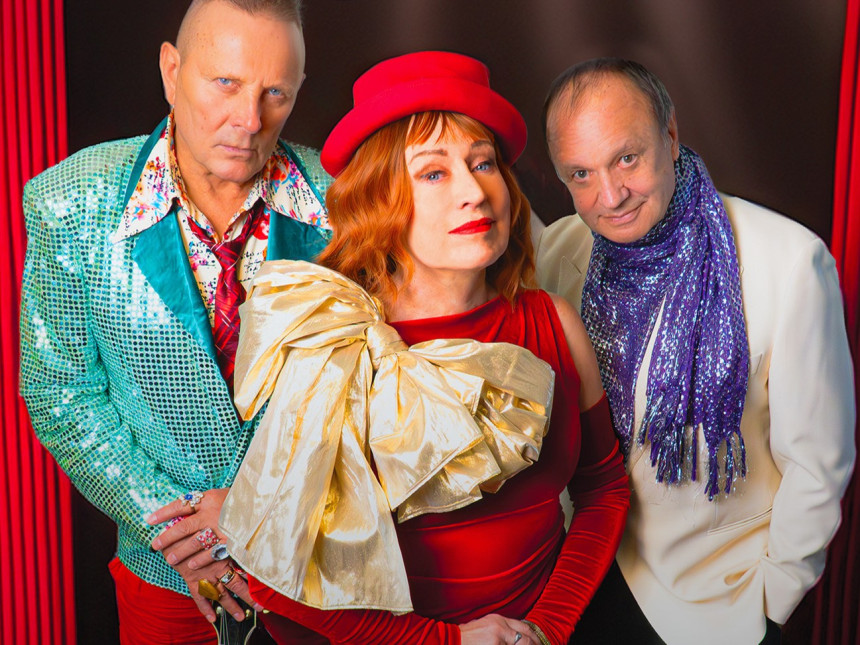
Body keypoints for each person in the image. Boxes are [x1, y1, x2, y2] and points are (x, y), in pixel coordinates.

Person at [212, 51, 630, 645]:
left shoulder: (554, 323)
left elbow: (603, 489)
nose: (474, 192)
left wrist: (548, 628)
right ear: (380, 198)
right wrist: (448, 643)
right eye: (433, 173)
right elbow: (275, 576)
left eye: (482, 163)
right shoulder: (339, 346)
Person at [18, 0, 331, 642]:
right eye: (226, 83)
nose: (249, 120)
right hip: (165, 573)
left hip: (322, 571)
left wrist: (266, 514)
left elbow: (382, 390)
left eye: (275, 93)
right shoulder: (69, 201)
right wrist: (180, 533)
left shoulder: (348, 199)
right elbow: (59, 393)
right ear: (171, 70)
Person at [535, 57, 856, 645]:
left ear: (671, 135)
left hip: (714, 607)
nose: (610, 195)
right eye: (580, 174)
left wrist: (773, 600)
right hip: (576, 582)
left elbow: (818, 464)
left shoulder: (790, 262)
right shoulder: (559, 248)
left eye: (626, 159)